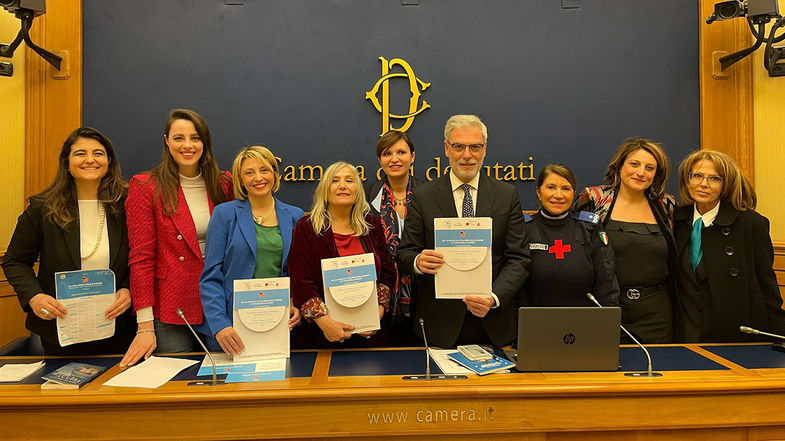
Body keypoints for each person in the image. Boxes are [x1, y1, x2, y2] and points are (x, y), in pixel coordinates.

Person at [397, 114, 529, 349]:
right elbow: (406, 253)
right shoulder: (424, 196)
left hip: (495, 324)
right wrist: (418, 261)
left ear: (485, 149)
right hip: (441, 327)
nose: (467, 155)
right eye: (459, 146)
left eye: (475, 147)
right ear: (447, 148)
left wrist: (494, 297)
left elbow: (518, 258)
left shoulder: (506, 195)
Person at [2, 127, 135, 355]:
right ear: (67, 161)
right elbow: (15, 261)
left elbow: (145, 257)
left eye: (98, 153)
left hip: (119, 327)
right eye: (80, 153)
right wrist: (35, 297)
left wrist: (130, 289)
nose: (90, 160)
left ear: (109, 161)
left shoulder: (128, 203)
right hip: (61, 329)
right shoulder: (42, 208)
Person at [121, 109, 233, 366]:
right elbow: (141, 258)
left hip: (218, 302)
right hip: (171, 305)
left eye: (195, 138)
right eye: (179, 138)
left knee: (226, 380)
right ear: (166, 141)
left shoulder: (223, 183)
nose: (187, 145)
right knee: (176, 381)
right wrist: (145, 326)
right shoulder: (146, 186)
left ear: (205, 142)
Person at [198, 146, 303, 355]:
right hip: (231, 328)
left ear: (274, 173)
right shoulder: (224, 214)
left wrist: (294, 301)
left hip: (278, 322)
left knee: (280, 385)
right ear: (240, 179)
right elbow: (210, 277)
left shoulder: (295, 215)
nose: (258, 178)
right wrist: (220, 325)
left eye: (264, 170)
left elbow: (298, 271)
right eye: (249, 172)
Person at [674, 150, 785, 342]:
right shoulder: (675, 219)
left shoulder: (750, 224)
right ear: (687, 179)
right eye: (697, 176)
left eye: (714, 178)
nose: (703, 184)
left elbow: (766, 286)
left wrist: (779, 333)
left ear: (726, 184)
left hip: (733, 335)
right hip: (686, 335)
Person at [574, 137, 677, 343]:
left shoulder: (666, 204)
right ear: (620, 165)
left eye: (649, 168)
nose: (641, 172)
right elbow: (577, 251)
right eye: (634, 164)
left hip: (656, 313)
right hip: (606, 307)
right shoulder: (594, 198)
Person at [289, 161, 395, 348]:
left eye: (349, 180)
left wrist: (376, 313)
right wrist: (324, 322)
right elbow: (300, 279)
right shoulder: (306, 227)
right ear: (325, 189)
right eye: (335, 181)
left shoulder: (372, 225)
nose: (343, 186)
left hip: (369, 336)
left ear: (358, 190)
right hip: (320, 336)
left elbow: (387, 272)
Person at [518, 164, 619, 307]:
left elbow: (606, 280)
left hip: (585, 319)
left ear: (574, 193)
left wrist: (608, 318)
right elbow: (515, 284)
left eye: (566, 188)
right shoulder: (523, 228)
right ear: (538, 192)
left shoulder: (590, 227)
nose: (558, 195)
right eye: (551, 187)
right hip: (534, 320)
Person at [365, 130, 422, 346]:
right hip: (378, 298)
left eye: (401, 152)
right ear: (380, 159)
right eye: (387, 154)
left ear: (412, 157)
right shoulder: (365, 197)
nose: (395, 159)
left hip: (421, 297)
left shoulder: (429, 194)